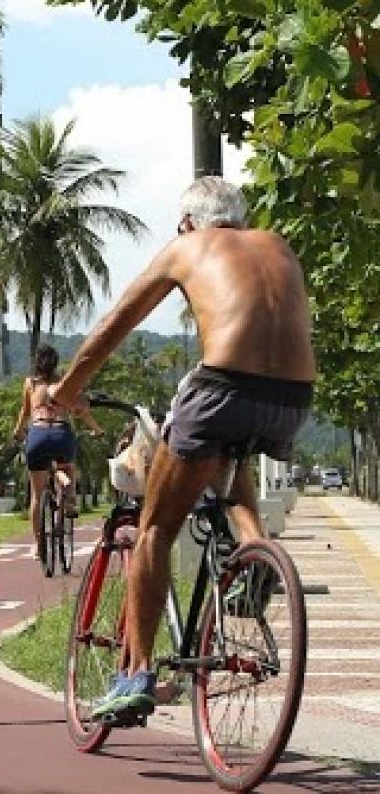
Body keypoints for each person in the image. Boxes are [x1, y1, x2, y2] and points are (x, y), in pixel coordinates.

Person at [49, 177, 315, 724]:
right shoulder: (278, 245)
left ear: (189, 222)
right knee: (229, 461)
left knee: (154, 529)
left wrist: (67, 391)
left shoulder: (186, 246)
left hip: (221, 388)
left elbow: (116, 323)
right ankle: (257, 552)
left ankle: (135, 675)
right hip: (292, 398)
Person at [13, 344, 104, 558]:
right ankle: (69, 498)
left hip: (38, 435)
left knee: (37, 495)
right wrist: (97, 429)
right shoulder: (64, 383)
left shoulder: (30, 383)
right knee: (68, 466)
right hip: (61, 433)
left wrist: (17, 432)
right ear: (55, 363)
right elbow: (81, 411)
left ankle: (39, 545)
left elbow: (25, 412)